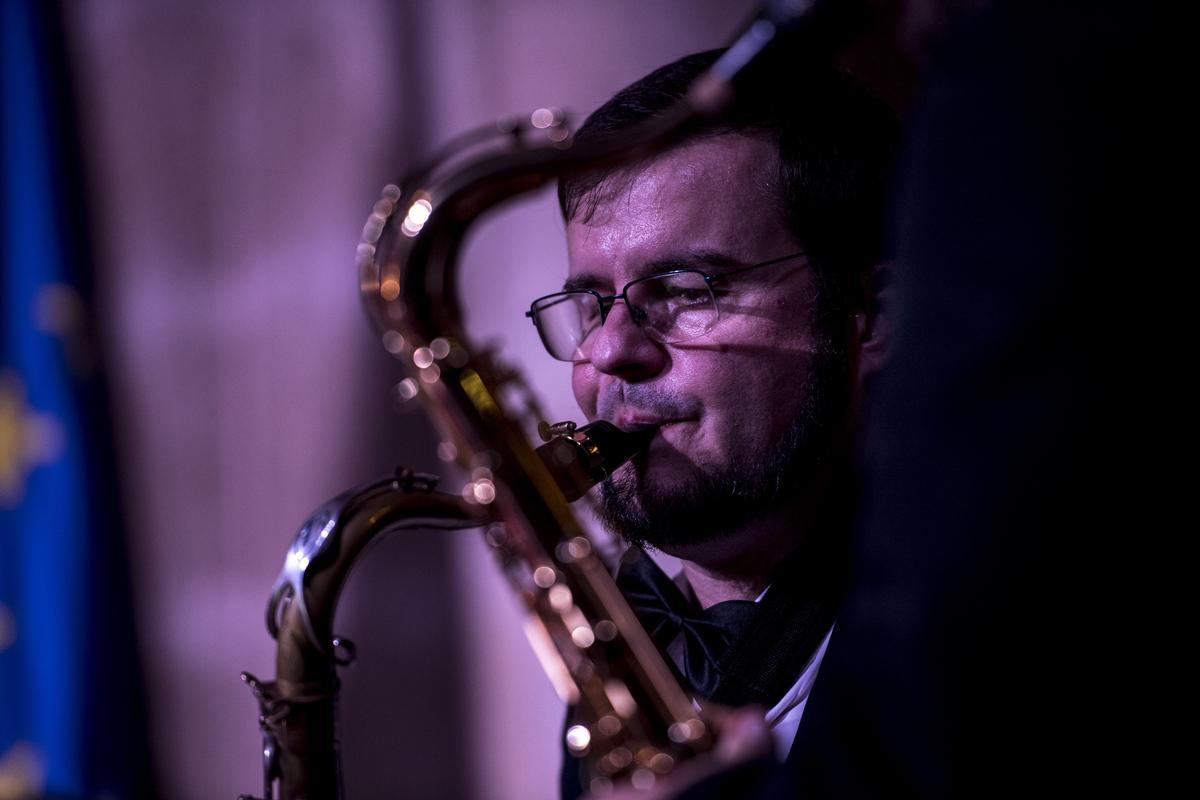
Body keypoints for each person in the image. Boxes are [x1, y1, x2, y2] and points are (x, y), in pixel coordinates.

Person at [523, 50, 899, 798]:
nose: (609, 352)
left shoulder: (978, 638)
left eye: (688, 290)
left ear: (871, 316)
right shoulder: (621, 650)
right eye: (592, 306)